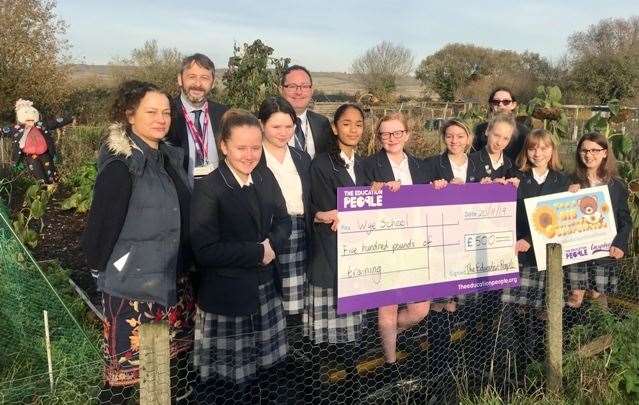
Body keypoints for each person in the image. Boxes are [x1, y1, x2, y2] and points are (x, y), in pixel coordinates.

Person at [81, 81, 195, 403]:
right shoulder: (121, 166)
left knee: (168, 372)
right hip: (131, 288)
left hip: (172, 278)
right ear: (130, 115)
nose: (161, 119)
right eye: (151, 112)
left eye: (166, 112)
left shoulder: (169, 158)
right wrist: (102, 274)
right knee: (123, 382)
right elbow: (100, 230)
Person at [190, 109, 292, 385]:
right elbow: (204, 250)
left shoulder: (265, 177)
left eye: (255, 147)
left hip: (266, 289)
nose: (250, 155)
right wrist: (259, 253)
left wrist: (272, 245)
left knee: (268, 376)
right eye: (241, 148)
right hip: (229, 297)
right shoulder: (209, 188)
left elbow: (284, 221)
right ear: (223, 146)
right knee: (231, 385)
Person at [361, 112, 431, 365]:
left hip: (417, 242)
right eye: (385, 134)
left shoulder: (422, 166)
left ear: (407, 135)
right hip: (384, 244)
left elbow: (434, 198)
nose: (391, 138)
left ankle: (387, 334)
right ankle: (391, 363)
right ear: (379, 137)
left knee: (420, 309)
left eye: (397, 133)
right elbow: (357, 201)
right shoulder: (367, 165)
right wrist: (371, 191)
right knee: (387, 306)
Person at [305, 103, 367, 347]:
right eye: (346, 124)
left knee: (353, 338)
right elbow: (323, 210)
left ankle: (352, 379)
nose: (353, 130)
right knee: (326, 338)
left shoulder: (365, 165)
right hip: (329, 253)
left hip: (356, 254)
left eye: (359, 125)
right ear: (334, 127)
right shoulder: (321, 164)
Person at [257, 97, 312, 317]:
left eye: (289, 126)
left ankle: (294, 342)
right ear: (261, 125)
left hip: (300, 232)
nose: (283, 132)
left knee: (297, 298)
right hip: (268, 233)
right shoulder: (253, 157)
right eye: (276, 126)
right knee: (270, 298)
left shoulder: (302, 157)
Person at [566, 132, 632, 308]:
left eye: (595, 150)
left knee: (598, 299)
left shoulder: (616, 185)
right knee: (574, 299)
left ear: (605, 153)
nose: (589, 155)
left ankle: (602, 335)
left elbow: (625, 219)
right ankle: (571, 335)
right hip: (576, 254)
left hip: (604, 252)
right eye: (584, 150)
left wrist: (620, 244)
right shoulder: (569, 181)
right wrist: (566, 196)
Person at [168, 53, 229, 185]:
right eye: (192, 77)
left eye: (205, 78)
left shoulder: (224, 114)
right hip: (180, 198)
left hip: (216, 197)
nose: (198, 84)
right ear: (180, 79)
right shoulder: (167, 114)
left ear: (212, 83)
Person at [1, 99, 72, 183]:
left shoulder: (41, 125)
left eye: (33, 114)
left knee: (51, 171)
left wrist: (70, 118)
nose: (30, 118)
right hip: (30, 156)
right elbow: (4, 130)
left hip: (45, 154)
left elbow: (56, 122)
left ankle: (55, 186)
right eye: (27, 115)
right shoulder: (17, 129)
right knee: (37, 172)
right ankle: (43, 189)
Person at [279, 65, 334, 157]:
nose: (299, 92)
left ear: (311, 90)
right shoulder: (267, 124)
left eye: (304, 86)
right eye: (292, 86)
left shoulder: (322, 123)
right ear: (281, 90)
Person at [473, 87, 529, 160]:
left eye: (506, 102)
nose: (501, 105)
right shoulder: (480, 129)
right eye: (496, 102)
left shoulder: (523, 132)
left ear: (513, 105)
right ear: (491, 105)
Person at [469, 112, 520, 186]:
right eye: (496, 135)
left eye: (505, 138)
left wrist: (517, 188)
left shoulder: (512, 166)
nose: (499, 143)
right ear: (487, 131)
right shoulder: (470, 161)